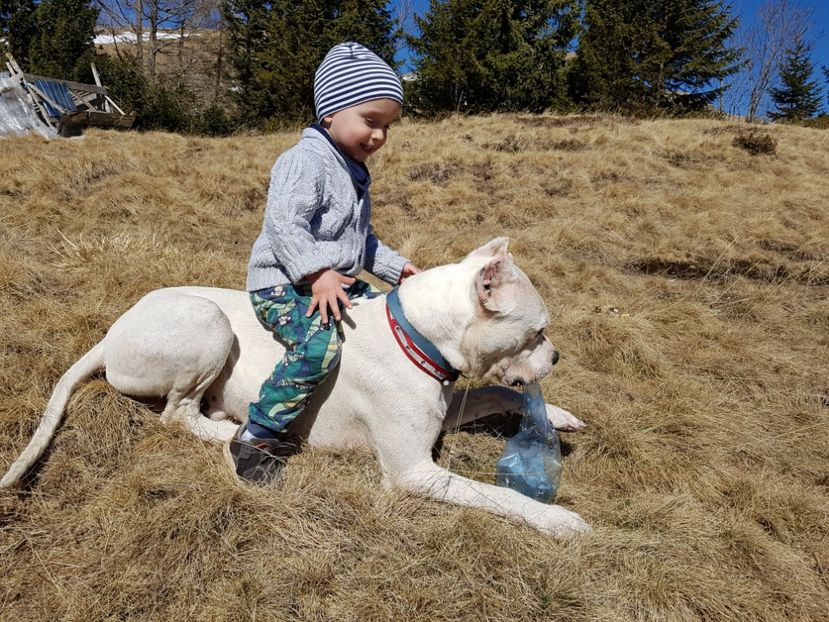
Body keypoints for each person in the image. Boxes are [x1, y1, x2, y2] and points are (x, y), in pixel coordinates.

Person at [226, 42, 420, 484]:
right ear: (331, 111)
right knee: (318, 348)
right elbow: (283, 224)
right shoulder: (305, 161)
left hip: (333, 279)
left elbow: (360, 242)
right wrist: (316, 273)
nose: (379, 137)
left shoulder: (351, 170)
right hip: (283, 283)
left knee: (391, 316)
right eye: (371, 122)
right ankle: (258, 433)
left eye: (388, 126)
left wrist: (397, 269)